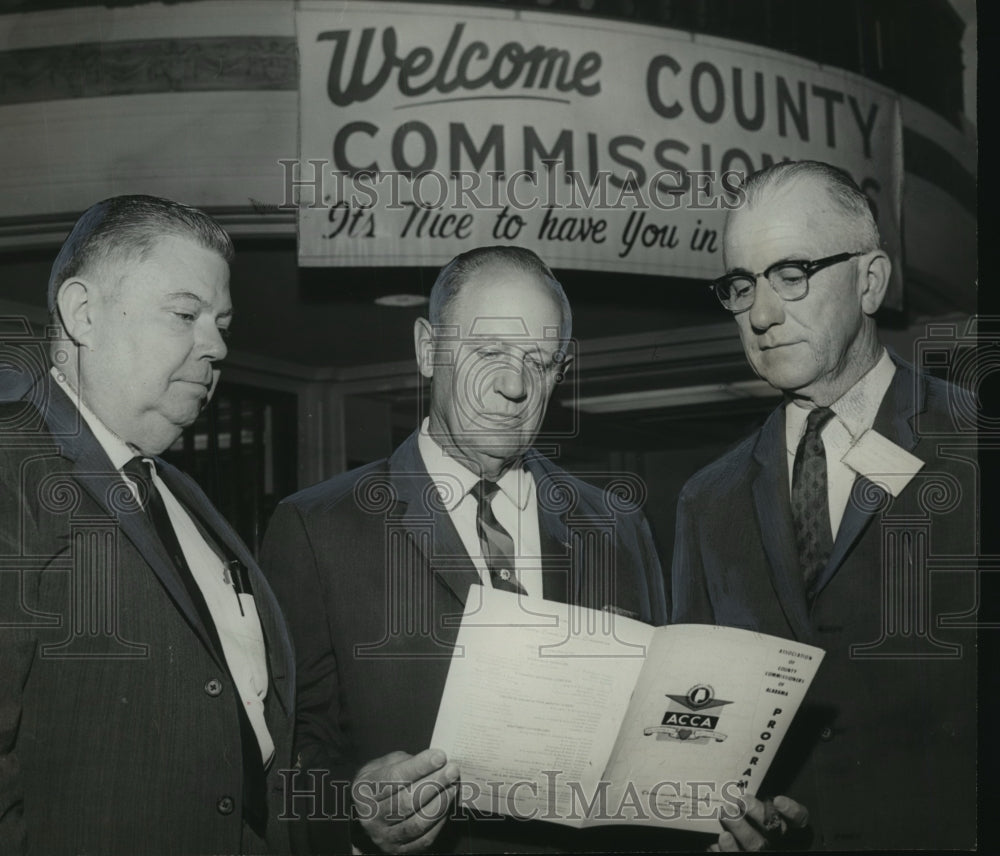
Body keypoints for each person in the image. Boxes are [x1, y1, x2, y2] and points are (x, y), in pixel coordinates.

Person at [262, 246, 805, 854]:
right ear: (426, 349)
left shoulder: (616, 524)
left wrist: (715, 816)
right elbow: (287, 760)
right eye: (489, 351)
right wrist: (357, 809)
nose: (514, 386)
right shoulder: (317, 527)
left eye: (539, 361)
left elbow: (651, 738)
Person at [671, 161, 978, 850]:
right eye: (741, 285)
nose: (761, 313)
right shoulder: (706, 500)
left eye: (792, 274)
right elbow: (699, 727)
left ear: (870, 281)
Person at [0, 196, 296, 855]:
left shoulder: (181, 494)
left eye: (220, 322)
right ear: (83, 314)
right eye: (185, 314)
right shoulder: (12, 460)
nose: (217, 345)